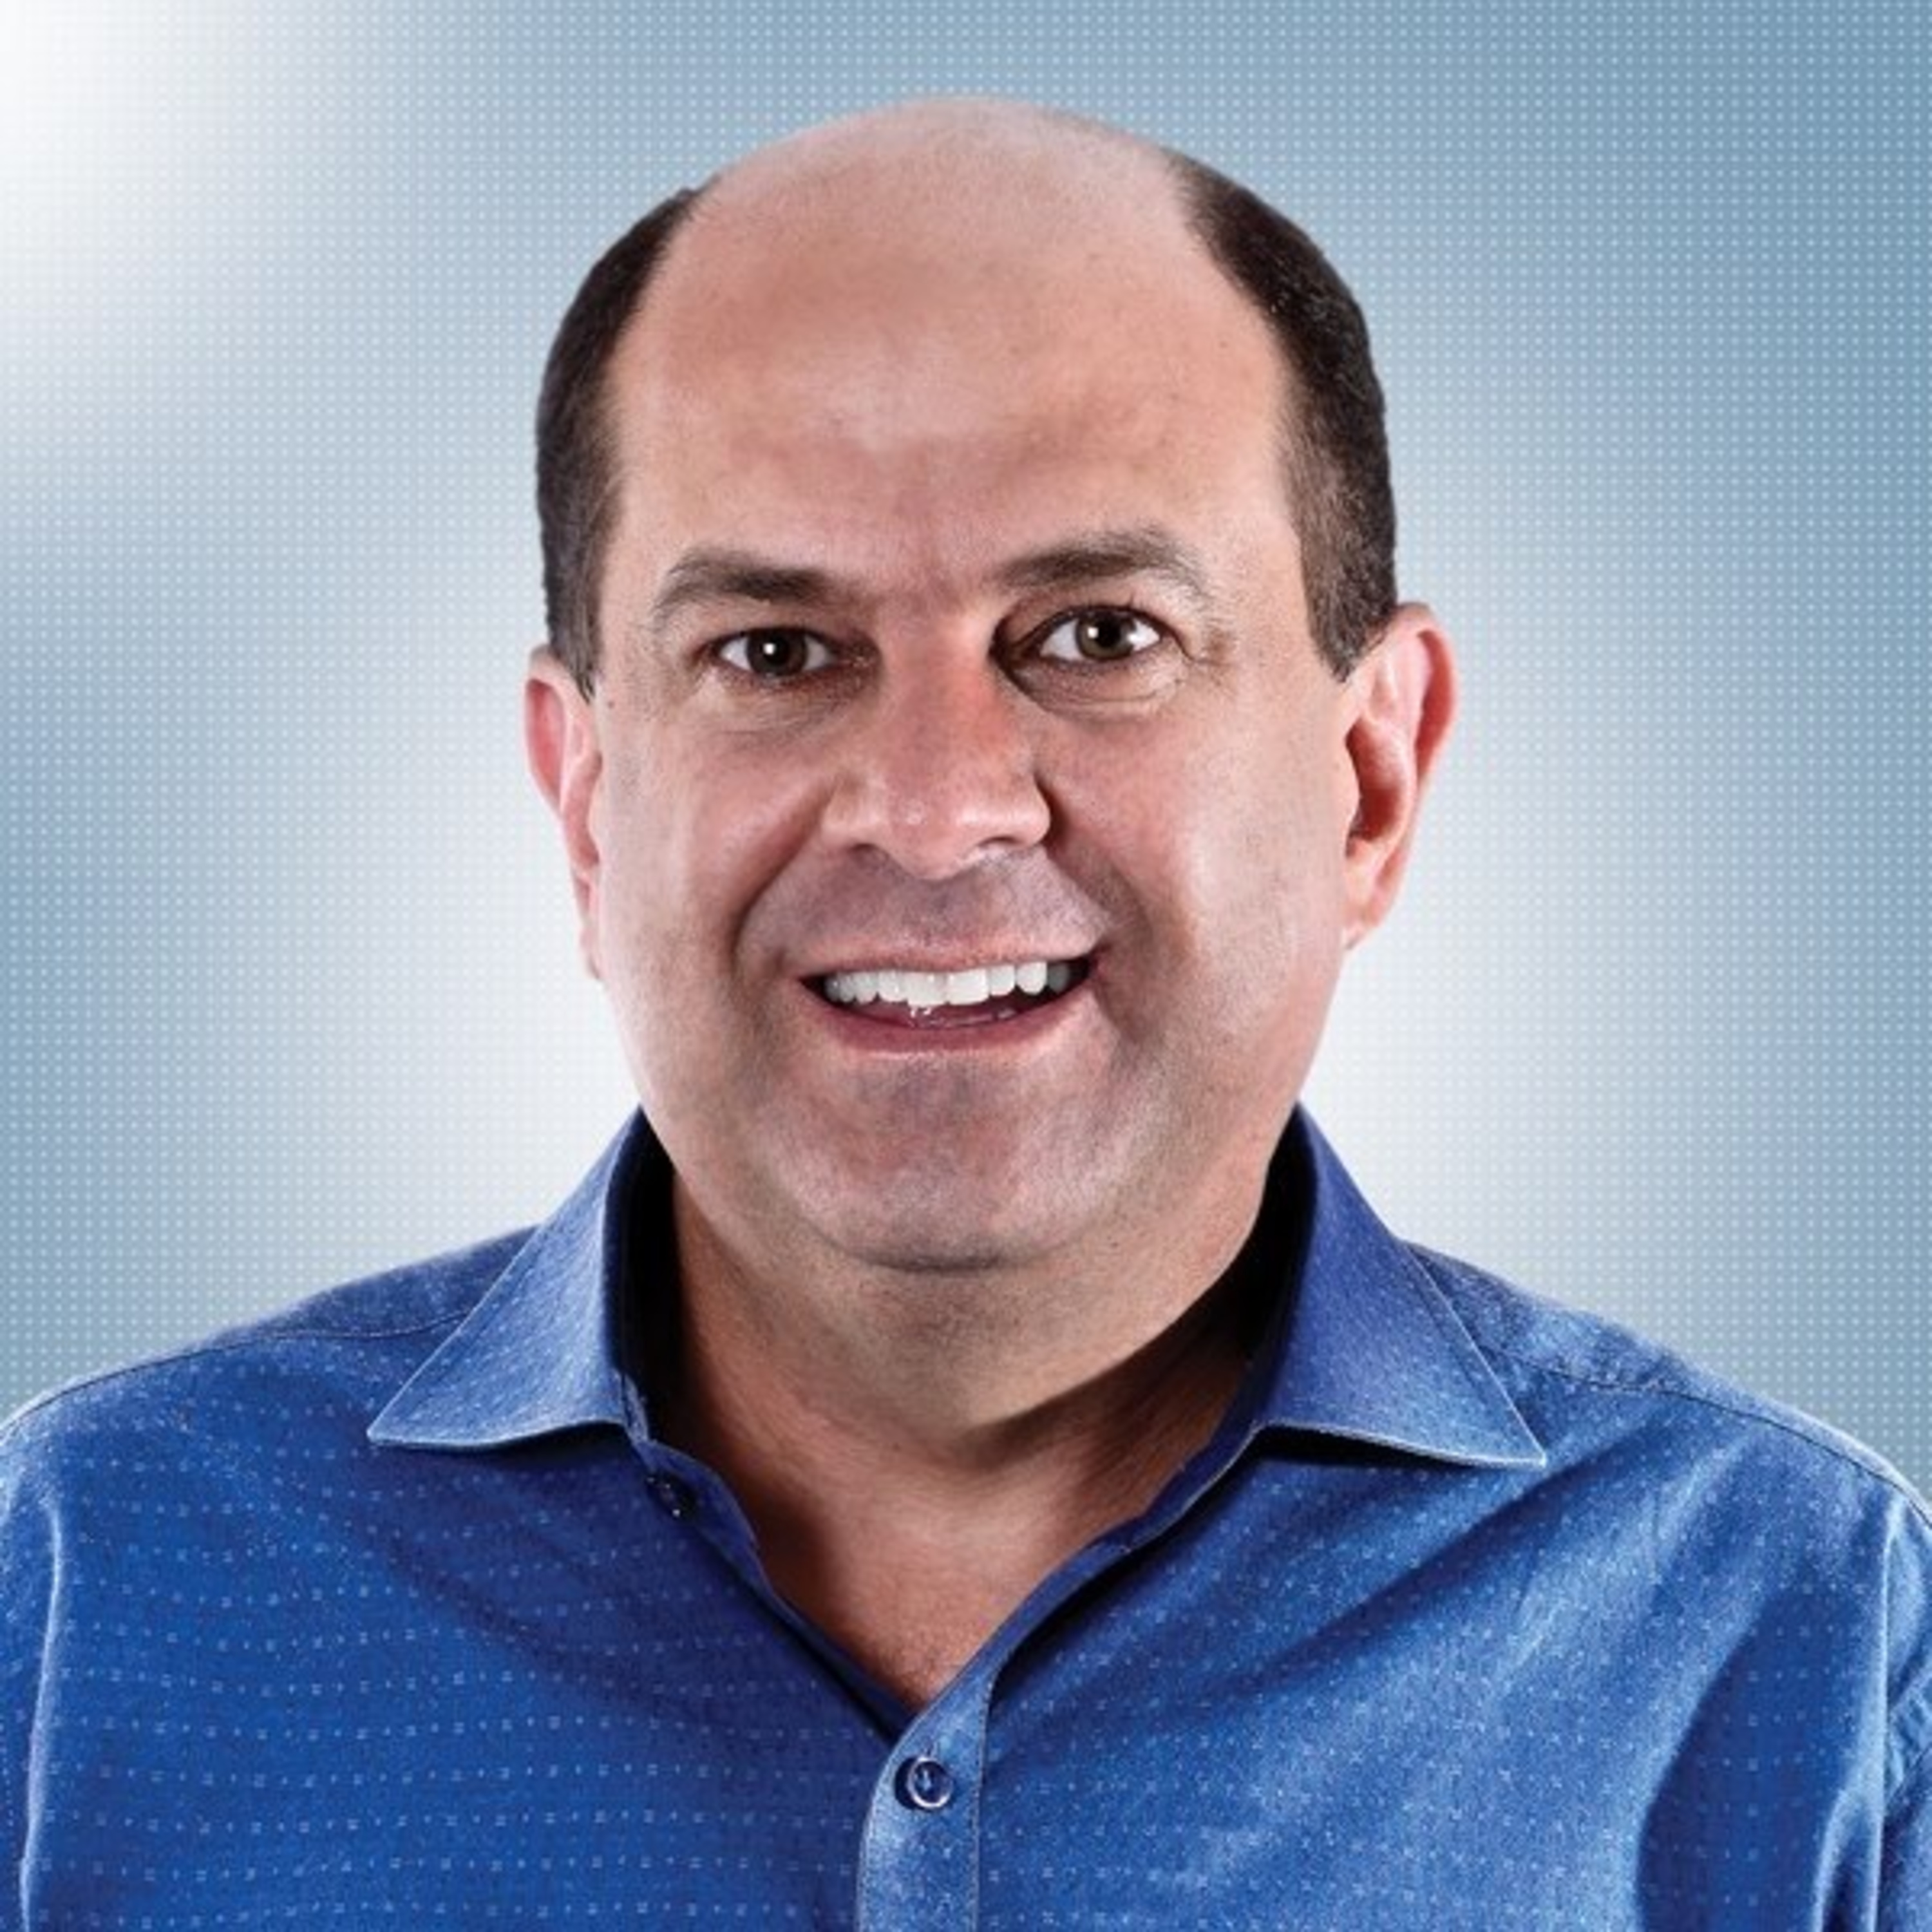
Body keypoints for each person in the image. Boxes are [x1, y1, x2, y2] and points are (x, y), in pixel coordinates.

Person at [3, 98, 1926, 1927]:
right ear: (588, 808)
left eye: (1098, 637)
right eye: (777, 652)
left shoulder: (1804, 1648)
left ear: (1372, 779)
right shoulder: (92, 1595)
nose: (934, 814)